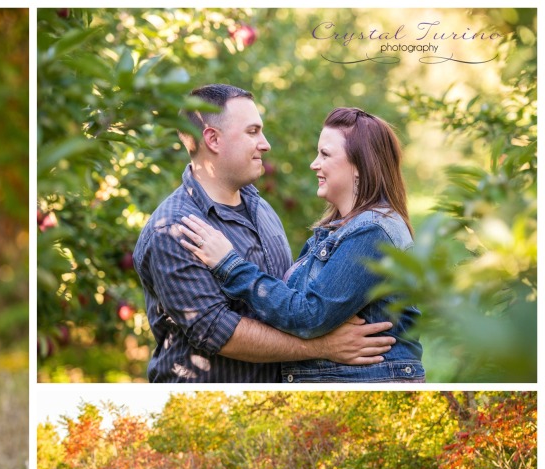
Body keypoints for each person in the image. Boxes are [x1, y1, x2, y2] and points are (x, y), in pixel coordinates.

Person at [133, 84, 397, 382]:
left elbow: (291, 301)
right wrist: (323, 346)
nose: (265, 143)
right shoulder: (175, 228)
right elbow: (217, 331)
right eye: (252, 131)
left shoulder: (261, 208)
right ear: (213, 139)